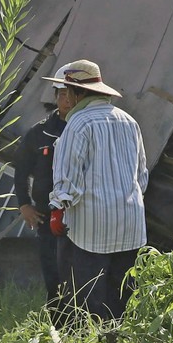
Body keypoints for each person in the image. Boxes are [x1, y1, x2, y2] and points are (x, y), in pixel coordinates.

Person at [46, 59, 148, 322]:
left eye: (67, 91)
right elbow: (141, 177)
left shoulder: (78, 123)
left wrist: (57, 209)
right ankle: (120, 338)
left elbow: (68, 179)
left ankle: (93, 339)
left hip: (91, 229)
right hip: (130, 225)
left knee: (88, 300)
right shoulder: (129, 121)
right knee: (122, 299)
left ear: (76, 93)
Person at [13, 63, 71, 312]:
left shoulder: (87, 128)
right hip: (47, 217)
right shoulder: (40, 132)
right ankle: (57, 326)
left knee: (79, 276)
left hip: (81, 216)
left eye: (71, 94)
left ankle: (83, 327)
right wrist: (24, 204)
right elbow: (21, 170)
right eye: (62, 94)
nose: (67, 99)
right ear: (55, 96)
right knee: (53, 276)